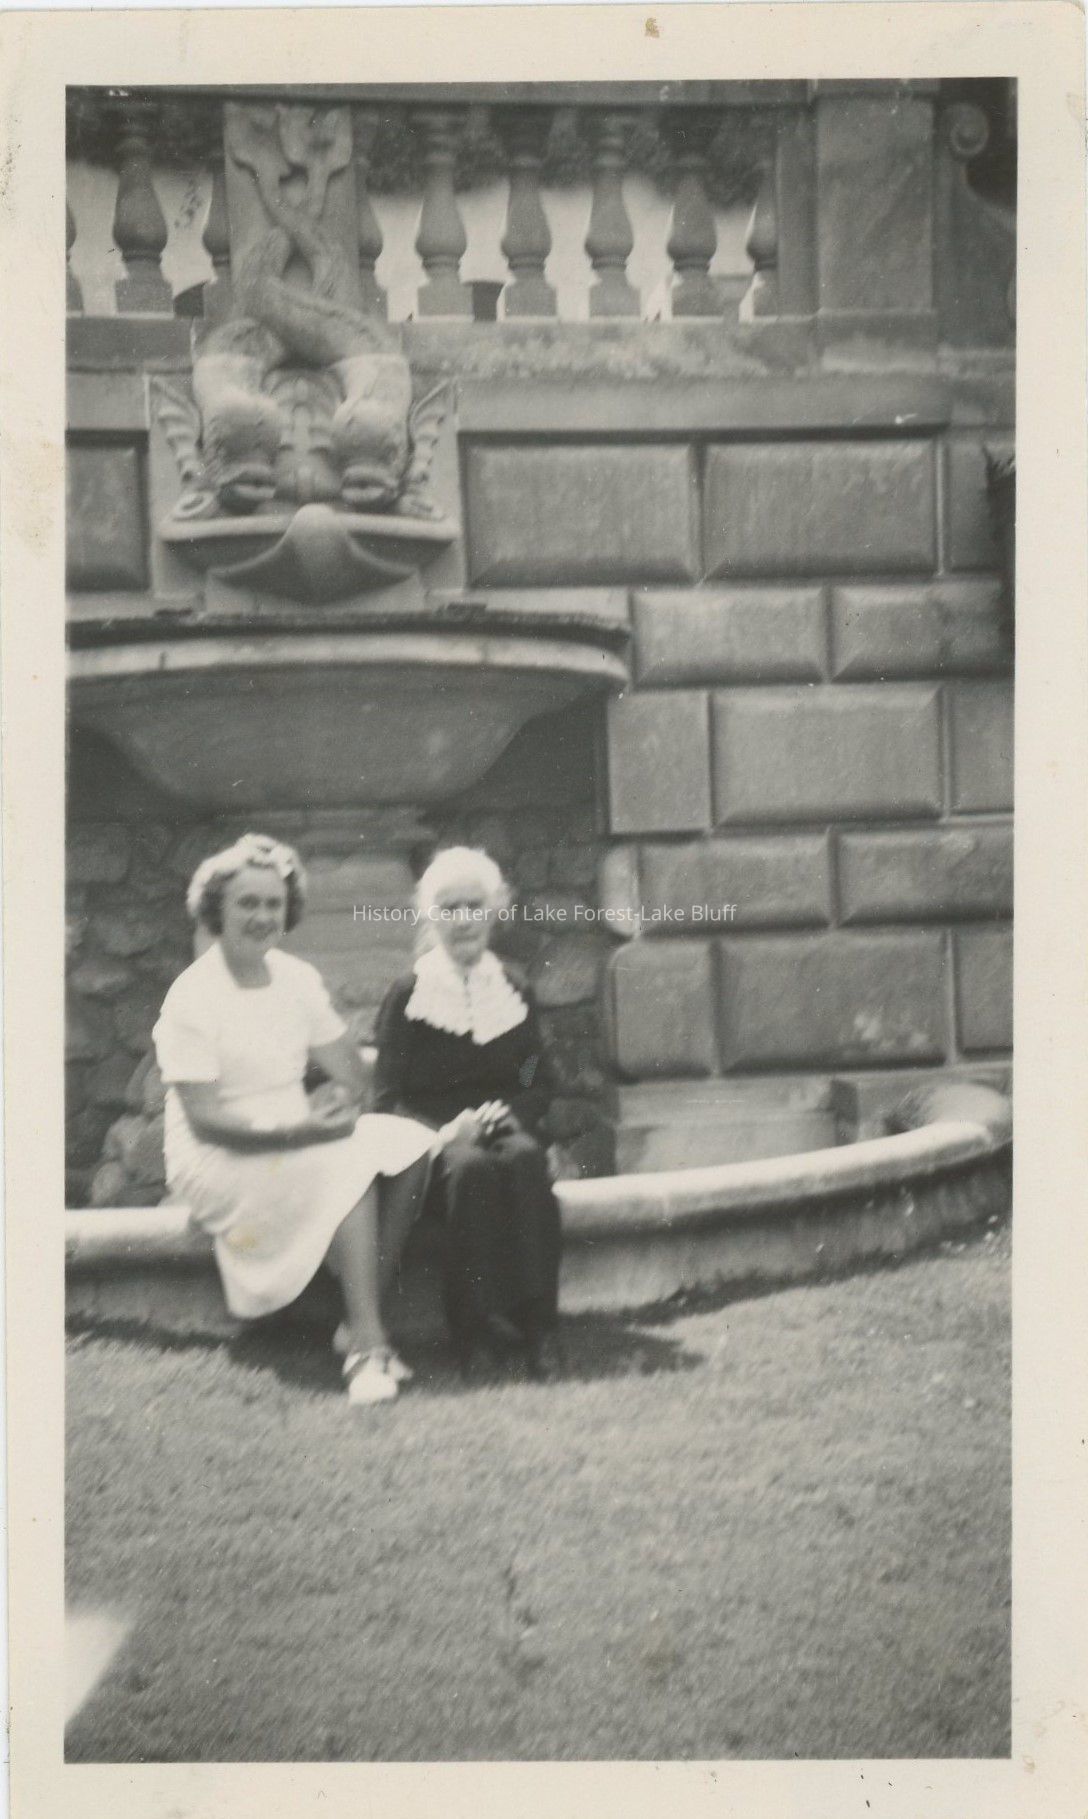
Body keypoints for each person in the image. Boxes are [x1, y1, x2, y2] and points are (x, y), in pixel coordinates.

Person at [152, 832, 439, 1408]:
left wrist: (346, 1095)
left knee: (411, 1145)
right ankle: (368, 1349)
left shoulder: (296, 978)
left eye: (273, 904)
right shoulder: (191, 996)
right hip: (218, 1154)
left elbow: (352, 1071)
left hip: (295, 1131)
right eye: (247, 903)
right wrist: (307, 1131)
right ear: (217, 910)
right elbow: (206, 1122)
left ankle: (356, 1320)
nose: (262, 917)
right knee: (343, 1166)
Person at [373, 847, 564, 1380]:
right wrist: (444, 1131)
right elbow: (386, 1097)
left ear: (494, 912)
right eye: (450, 908)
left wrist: (515, 1110)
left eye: (474, 907)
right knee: (471, 1170)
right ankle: (475, 1332)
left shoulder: (514, 988)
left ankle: (540, 1329)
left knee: (525, 1160)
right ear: (432, 918)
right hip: (435, 1140)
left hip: (501, 1123)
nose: (463, 920)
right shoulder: (409, 996)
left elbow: (533, 1073)